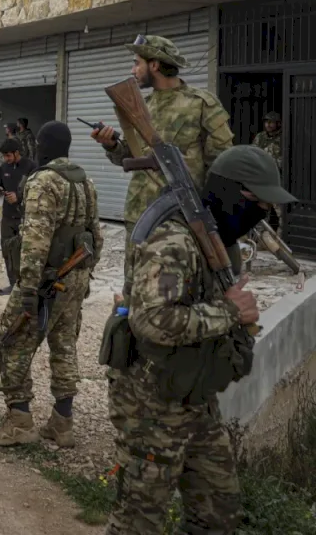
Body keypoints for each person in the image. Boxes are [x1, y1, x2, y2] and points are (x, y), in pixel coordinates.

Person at [104, 146, 295, 534]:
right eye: (259, 204)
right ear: (235, 195)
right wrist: (230, 312)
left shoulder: (216, 240)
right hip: (150, 402)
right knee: (139, 520)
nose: (262, 214)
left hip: (195, 395)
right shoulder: (173, 242)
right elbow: (152, 321)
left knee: (217, 509)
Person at [0, 122, 103, 449]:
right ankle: (62, 423)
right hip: (75, 277)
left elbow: (36, 240)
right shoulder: (85, 181)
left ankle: (19, 420)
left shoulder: (43, 181)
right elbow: (96, 235)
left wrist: (27, 289)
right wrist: (85, 275)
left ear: (41, 146)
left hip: (48, 280)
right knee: (64, 343)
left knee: (11, 338)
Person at [91, 34, 233, 302]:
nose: (132, 69)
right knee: (135, 289)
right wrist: (111, 145)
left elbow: (223, 162)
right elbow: (130, 156)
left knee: (172, 292)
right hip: (140, 212)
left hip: (181, 216)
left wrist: (210, 209)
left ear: (154, 64)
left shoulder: (201, 103)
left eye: (137, 63)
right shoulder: (140, 106)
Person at [0, 138, 38, 296]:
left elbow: (37, 191)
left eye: (8, 155)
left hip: (25, 216)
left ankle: (27, 285)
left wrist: (18, 197)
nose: (6, 159)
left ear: (17, 153)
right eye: (4, 156)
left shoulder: (32, 167)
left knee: (26, 251)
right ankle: (13, 284)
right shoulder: (3, 167)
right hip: (8, 215)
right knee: (7, 249)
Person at [252, 111, 285, 237]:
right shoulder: (260, 137)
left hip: (276, 179)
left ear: (278, 124)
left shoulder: (282, 138)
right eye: (266, 122)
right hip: (262, 178)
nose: (268, 125)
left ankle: (280, 239)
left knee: (280, 212)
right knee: (261, 210)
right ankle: (260, 239)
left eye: (271, 122)